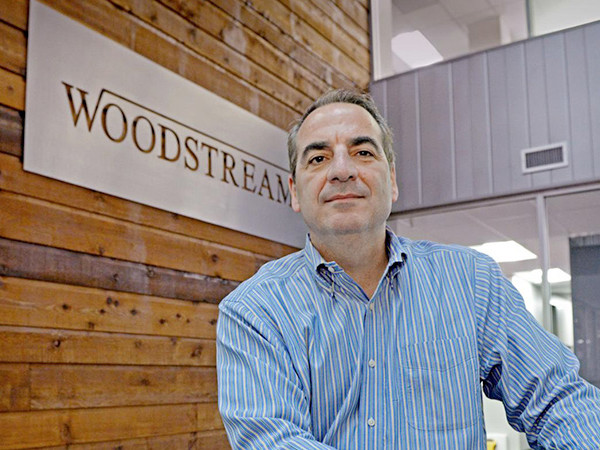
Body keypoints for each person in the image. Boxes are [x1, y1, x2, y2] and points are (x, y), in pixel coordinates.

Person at [217, 89, 600, 449]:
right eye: (318, 159)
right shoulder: (253, 312)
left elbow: (558, 400)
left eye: (363, 152)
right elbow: (272, 440)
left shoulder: (471, 282)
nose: (342, 170)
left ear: (393, 181)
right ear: (294, 192)